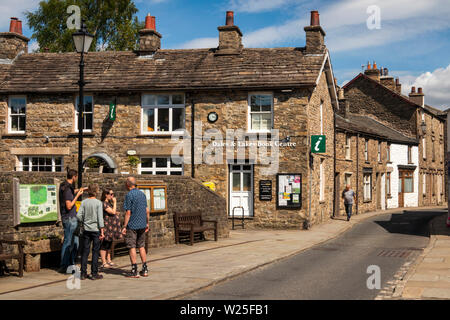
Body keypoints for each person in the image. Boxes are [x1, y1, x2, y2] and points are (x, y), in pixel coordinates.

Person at [122, 177, 150, 278]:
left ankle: (134, 270)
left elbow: (128, 212)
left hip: (132, 225)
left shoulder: (129, 195)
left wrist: (124, 226)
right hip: (142, 224)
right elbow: (147, 210)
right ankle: (145, 268)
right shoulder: (142, 194)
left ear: (128, 184)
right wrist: (147, 223)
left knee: (132, 246)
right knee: (141, 246)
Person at [59, 169, 85, 273]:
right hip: (70, 218)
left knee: (75, 243)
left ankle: (71, 264)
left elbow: (70, 192)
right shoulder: (68, 189)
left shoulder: (63, 185)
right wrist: (78, 196)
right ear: (74, 177)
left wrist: (81, 190)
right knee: (69, 242)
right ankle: (64, 266)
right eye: (76, 177)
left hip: (69, 218)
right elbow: (69, 205)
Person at [77, 184, 105, 280]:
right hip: (96, 230)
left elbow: (78, 215)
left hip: (86, 230)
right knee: (95, 251)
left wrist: (83, 222)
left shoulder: (84, 202)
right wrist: (102, 231)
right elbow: (100, 218)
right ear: (96, 191)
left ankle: (83, 273)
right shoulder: (98, 203)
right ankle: (94, 273)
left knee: (85, 251)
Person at [100, 189, 122, 268]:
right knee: (104, 243)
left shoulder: (109, 203)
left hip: (111, 226)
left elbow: (113, 212)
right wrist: (115, 203)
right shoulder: (103, 203)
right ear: (106, 194)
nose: (112, 196)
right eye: (111, 194)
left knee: (109, 243)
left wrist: (116, 212)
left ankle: (108, 260)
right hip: (106, 226)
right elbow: (112, 212)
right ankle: (103, 261)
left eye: (113, 194)